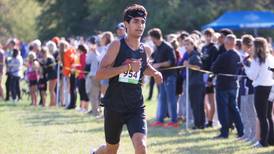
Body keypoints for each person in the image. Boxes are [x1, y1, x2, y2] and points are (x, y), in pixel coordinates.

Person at [91, 4, 162, 154]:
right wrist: (126, 68)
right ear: (126, 24)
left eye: (142, 22)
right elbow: (100, 74)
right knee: (111, 150)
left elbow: (143, 67)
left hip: (135, 106)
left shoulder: (145, 49)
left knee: (141, 147)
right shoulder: (117, 45)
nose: (140, 25)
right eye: (136, 21)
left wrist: (155, 73)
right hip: (114, 106)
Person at [211, 34, 244, 139]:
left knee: (223, 110)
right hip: (234, 85)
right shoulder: (238, 55)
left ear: (226, 43)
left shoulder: (224, 56)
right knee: (234, 109)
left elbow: (214, 68)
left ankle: (224, 132)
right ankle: (240, 131)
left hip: (223, 86)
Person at [244, 37, 274, 147]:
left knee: (262, 116)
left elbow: (252, 76)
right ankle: (271, 140)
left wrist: (246, 67)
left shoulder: (257, 60)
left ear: (256, 47)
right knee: (269, 115)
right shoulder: (271, 57)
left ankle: (263, 142)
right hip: (271, 87)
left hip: (261, 88)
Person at [148, 28, 178, 128]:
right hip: (162, 77)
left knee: (171, 100)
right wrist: (150, 63)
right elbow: (155, 60)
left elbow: (171, 62)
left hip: (170, 77)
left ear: (154, 37)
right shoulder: (157, 47)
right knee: (162, 99)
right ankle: (160, 120)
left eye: (151, 38)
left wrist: (159, 64)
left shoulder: (168, 47)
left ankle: (174, 121)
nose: (151, 40)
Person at [183, 37, 205, 129]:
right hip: (193, 83)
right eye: (185, 45)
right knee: (196, 105)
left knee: (197, 105)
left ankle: (198, 124)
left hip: (196, 84)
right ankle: (199, 123)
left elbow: (199, 67)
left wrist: (189, 65)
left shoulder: (195, 55)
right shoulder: (190, 55)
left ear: (193, 45)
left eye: (188, 44)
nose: (186, 47)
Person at [201, 28, 218, 127]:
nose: (207, 38)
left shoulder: (214, 48)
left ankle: (211, 121)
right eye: (206, 35)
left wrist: (210, 78)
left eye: (209, 35)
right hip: (202, 75)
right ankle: (207, 119)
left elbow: (213, 64)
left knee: (211, 99)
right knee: (204, 100)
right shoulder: (203, 48)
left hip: (209, 75)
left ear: (212, 36)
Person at [76, 44, 89, 112]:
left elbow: (83, 66)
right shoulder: (83, 55)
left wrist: (76, 67)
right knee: (81, 92)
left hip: (82, 76)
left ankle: (84, 108)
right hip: (81, 75)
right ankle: (82, 107)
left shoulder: (83, 55)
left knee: (83, 92)